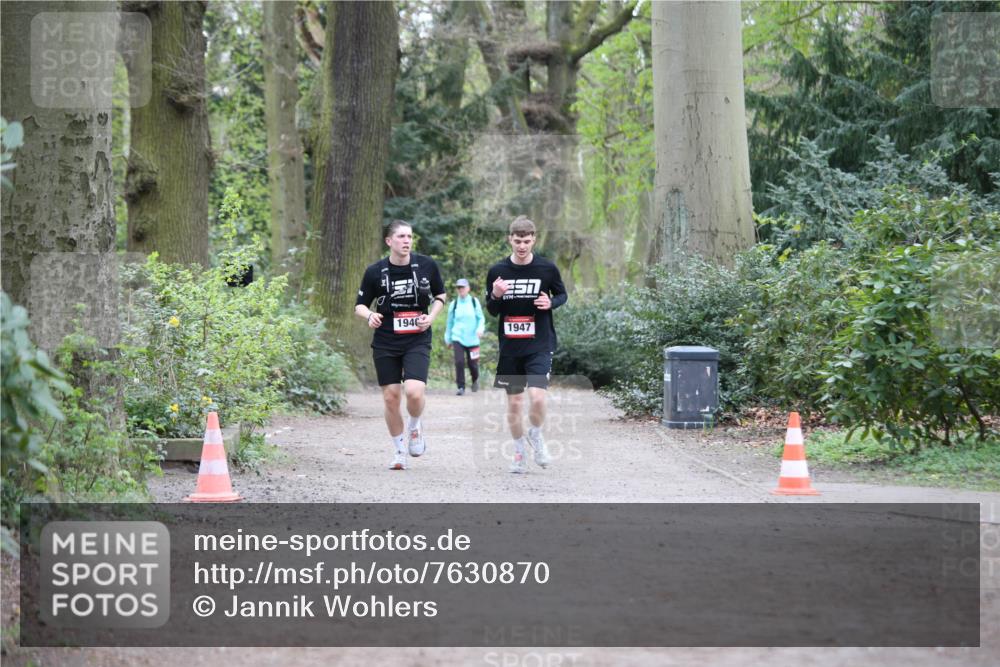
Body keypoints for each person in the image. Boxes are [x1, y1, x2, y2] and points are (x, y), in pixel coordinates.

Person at [355, 220, 446, 470]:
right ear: (389, 241)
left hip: (417, 337)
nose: (407, 241)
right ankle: (399, 451)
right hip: (386, 339)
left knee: (414, 392)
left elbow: (440, 295)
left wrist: (431, 316)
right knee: (391, 397)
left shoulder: (426, 265)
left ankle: (415, 426)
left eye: (410, 236)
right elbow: (360, 305)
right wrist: (369, 315)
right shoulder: (375, 271)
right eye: (402, 237)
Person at [485, 215, 568, 473]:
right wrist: (496, 295)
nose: (522, 246)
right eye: (517, 241)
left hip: (539, 344)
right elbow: (492, 310)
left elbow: (562, 294)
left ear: (534, 240)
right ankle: (519, 451)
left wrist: (550, 302)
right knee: (515, 404)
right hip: (510, 348)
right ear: (510, 239)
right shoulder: (497, 271)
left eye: (526, 241)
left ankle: (535, 433)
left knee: (538, 397)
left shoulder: (547, 269)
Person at [444, 278, 486, 396]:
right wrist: (448, 339)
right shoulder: (454, 304)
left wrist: (480, 329)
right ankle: (461, 387)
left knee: (473, 364)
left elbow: (481, 318)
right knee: (459, 361)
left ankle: (475, 382)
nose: (461, 289)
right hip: (457, 337)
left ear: (468, 288)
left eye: (463, 287)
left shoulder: (474, 302)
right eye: (459, 287)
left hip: (473, 339)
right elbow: (449, 323)